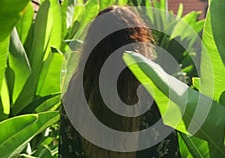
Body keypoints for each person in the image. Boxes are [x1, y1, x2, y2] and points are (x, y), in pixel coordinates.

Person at [59, 5, 180, 158]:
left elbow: (66, 151)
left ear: (91, 46)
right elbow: (168, 151)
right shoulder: (152, 91)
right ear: (138, 43)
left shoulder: (75, 91)